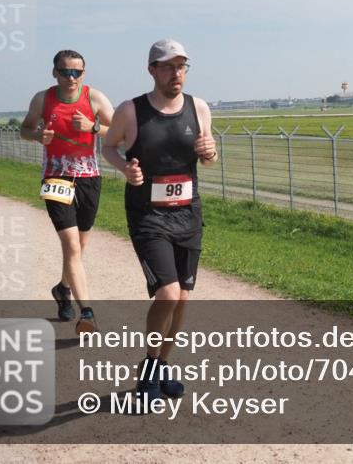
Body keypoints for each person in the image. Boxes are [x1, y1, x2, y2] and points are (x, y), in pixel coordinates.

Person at [102, 39, 216, 403]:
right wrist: (126, 169)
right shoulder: (130, 111)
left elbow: (208, 154)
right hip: (147, 216)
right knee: (166, 294)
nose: (176, 73)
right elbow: (108, 146)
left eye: (181, 66)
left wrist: (210, 152)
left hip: (188, 214)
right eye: (168, 66)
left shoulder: (199, 108)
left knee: (183, 298)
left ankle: (162, 366)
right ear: (152, 70)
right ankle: (149, 368)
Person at [20, 49, 114, 334]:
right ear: (55, 73)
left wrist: (93, 126)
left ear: (83, 74)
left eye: (77, 72)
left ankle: (62, 288)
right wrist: (37, 135)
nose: (71, 77)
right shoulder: (42, 99)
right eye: (65, 72)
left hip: (89, 178)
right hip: (56, 177)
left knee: (79, 247)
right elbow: (25, 128)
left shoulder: (94, 98)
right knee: (72, 246)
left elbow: (119, 130)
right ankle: (87, 312)